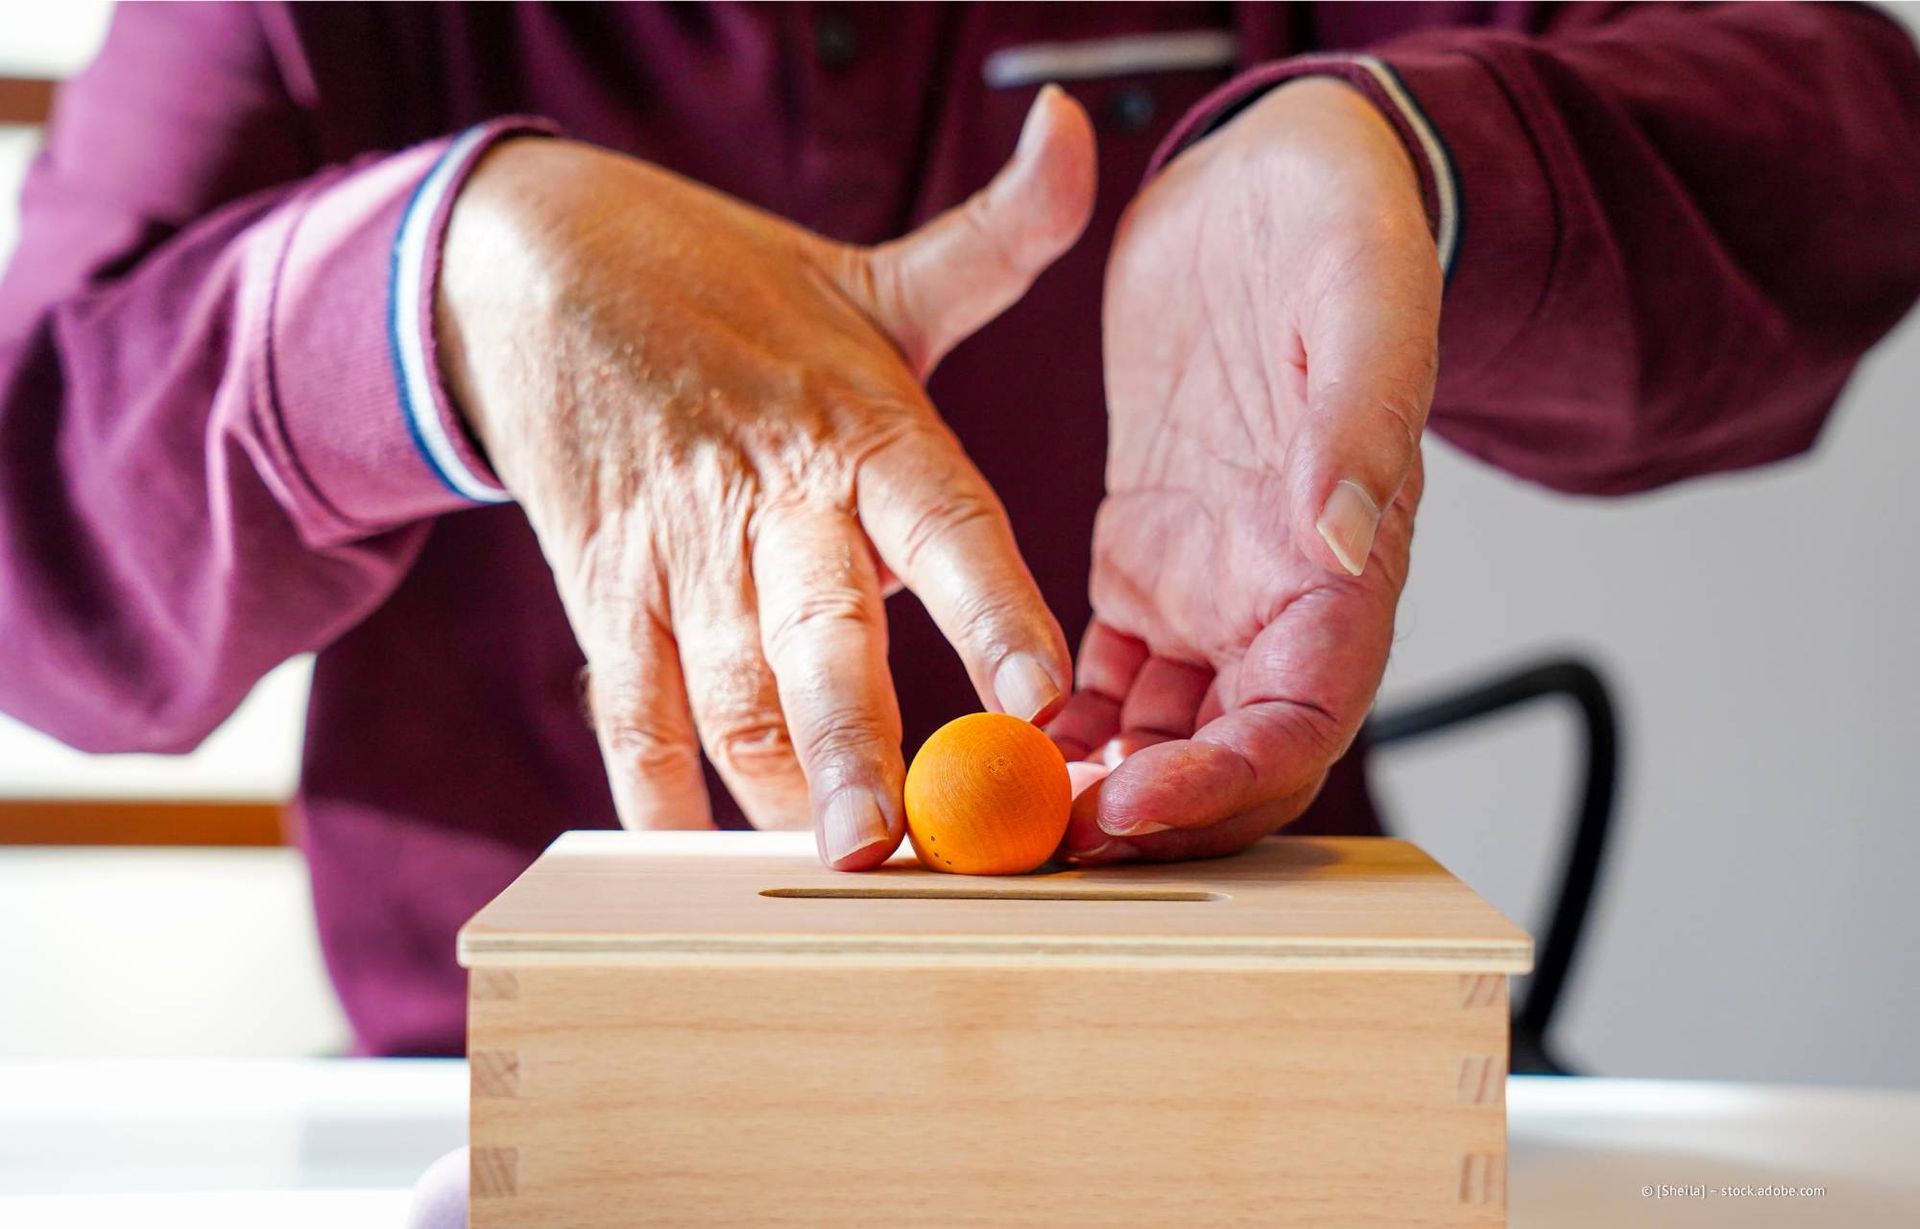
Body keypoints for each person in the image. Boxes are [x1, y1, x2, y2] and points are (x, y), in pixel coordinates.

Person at [2, 2, 1916, 1060]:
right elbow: (34, 549)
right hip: (535, 1091)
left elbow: (1851, 147)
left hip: (1227, 1080)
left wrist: (1411, 157)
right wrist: (432, 290)